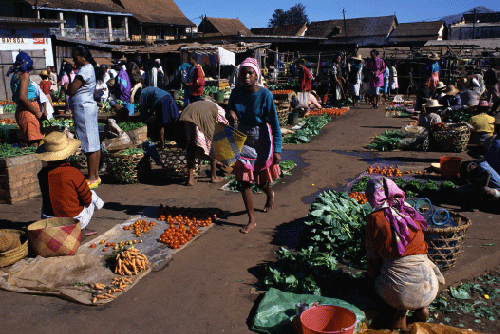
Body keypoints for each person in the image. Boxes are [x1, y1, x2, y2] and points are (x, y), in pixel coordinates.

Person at [365, 177, 444, 331]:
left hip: (399, 293)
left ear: (371, 196)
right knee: (415, 272)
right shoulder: (409, 210)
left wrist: (372, 280)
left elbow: (372, 263)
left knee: (381, 284)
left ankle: (399, 312)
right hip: (430, 286)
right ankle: (422, 309)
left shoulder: (375, 220)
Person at [226, 57, 282, 234]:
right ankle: (251, 219)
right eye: (243, 73)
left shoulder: (266, 95)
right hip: (242, 136)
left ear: (256, 74)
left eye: (250, 73)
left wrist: (278, 150)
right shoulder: (236, 93)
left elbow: (275, 123)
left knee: (260, 179)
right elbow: (229, 108)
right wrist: (231, 113)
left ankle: (269, 193)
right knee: (244, 180)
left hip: (262, 138)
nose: (247, 76)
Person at [36, 131, 104, 237]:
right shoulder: (73, 173)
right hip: (73, 221)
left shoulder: (42, 174)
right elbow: (86, 201)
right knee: (92, 195)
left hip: (49, 221)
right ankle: (81, 229)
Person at [66, 45, 101, 189]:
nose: (74, 60)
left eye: (75, 57)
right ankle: (95, 175)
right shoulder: (87, 69)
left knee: (89, 143)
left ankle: (92, 176)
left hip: (84, 108)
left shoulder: (85, 70)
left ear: (83, 57)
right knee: (93, 141)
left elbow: (72, 90)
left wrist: (65, 87)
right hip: (86, 107)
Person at [176, 101, 228, 185]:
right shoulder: (220, 109)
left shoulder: (206, 104)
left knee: (191, 145)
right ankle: (214, 177)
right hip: (199, 116)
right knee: (212, 145)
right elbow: (224, 124)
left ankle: (190, 179)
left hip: (186, 115)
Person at [7, 52, 44, 147]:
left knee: (32, 139)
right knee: (34, 142)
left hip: (22, 110)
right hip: (28, 110)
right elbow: (22, 97)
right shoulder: (24, 75)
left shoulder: (15, 75)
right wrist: (37, 112)